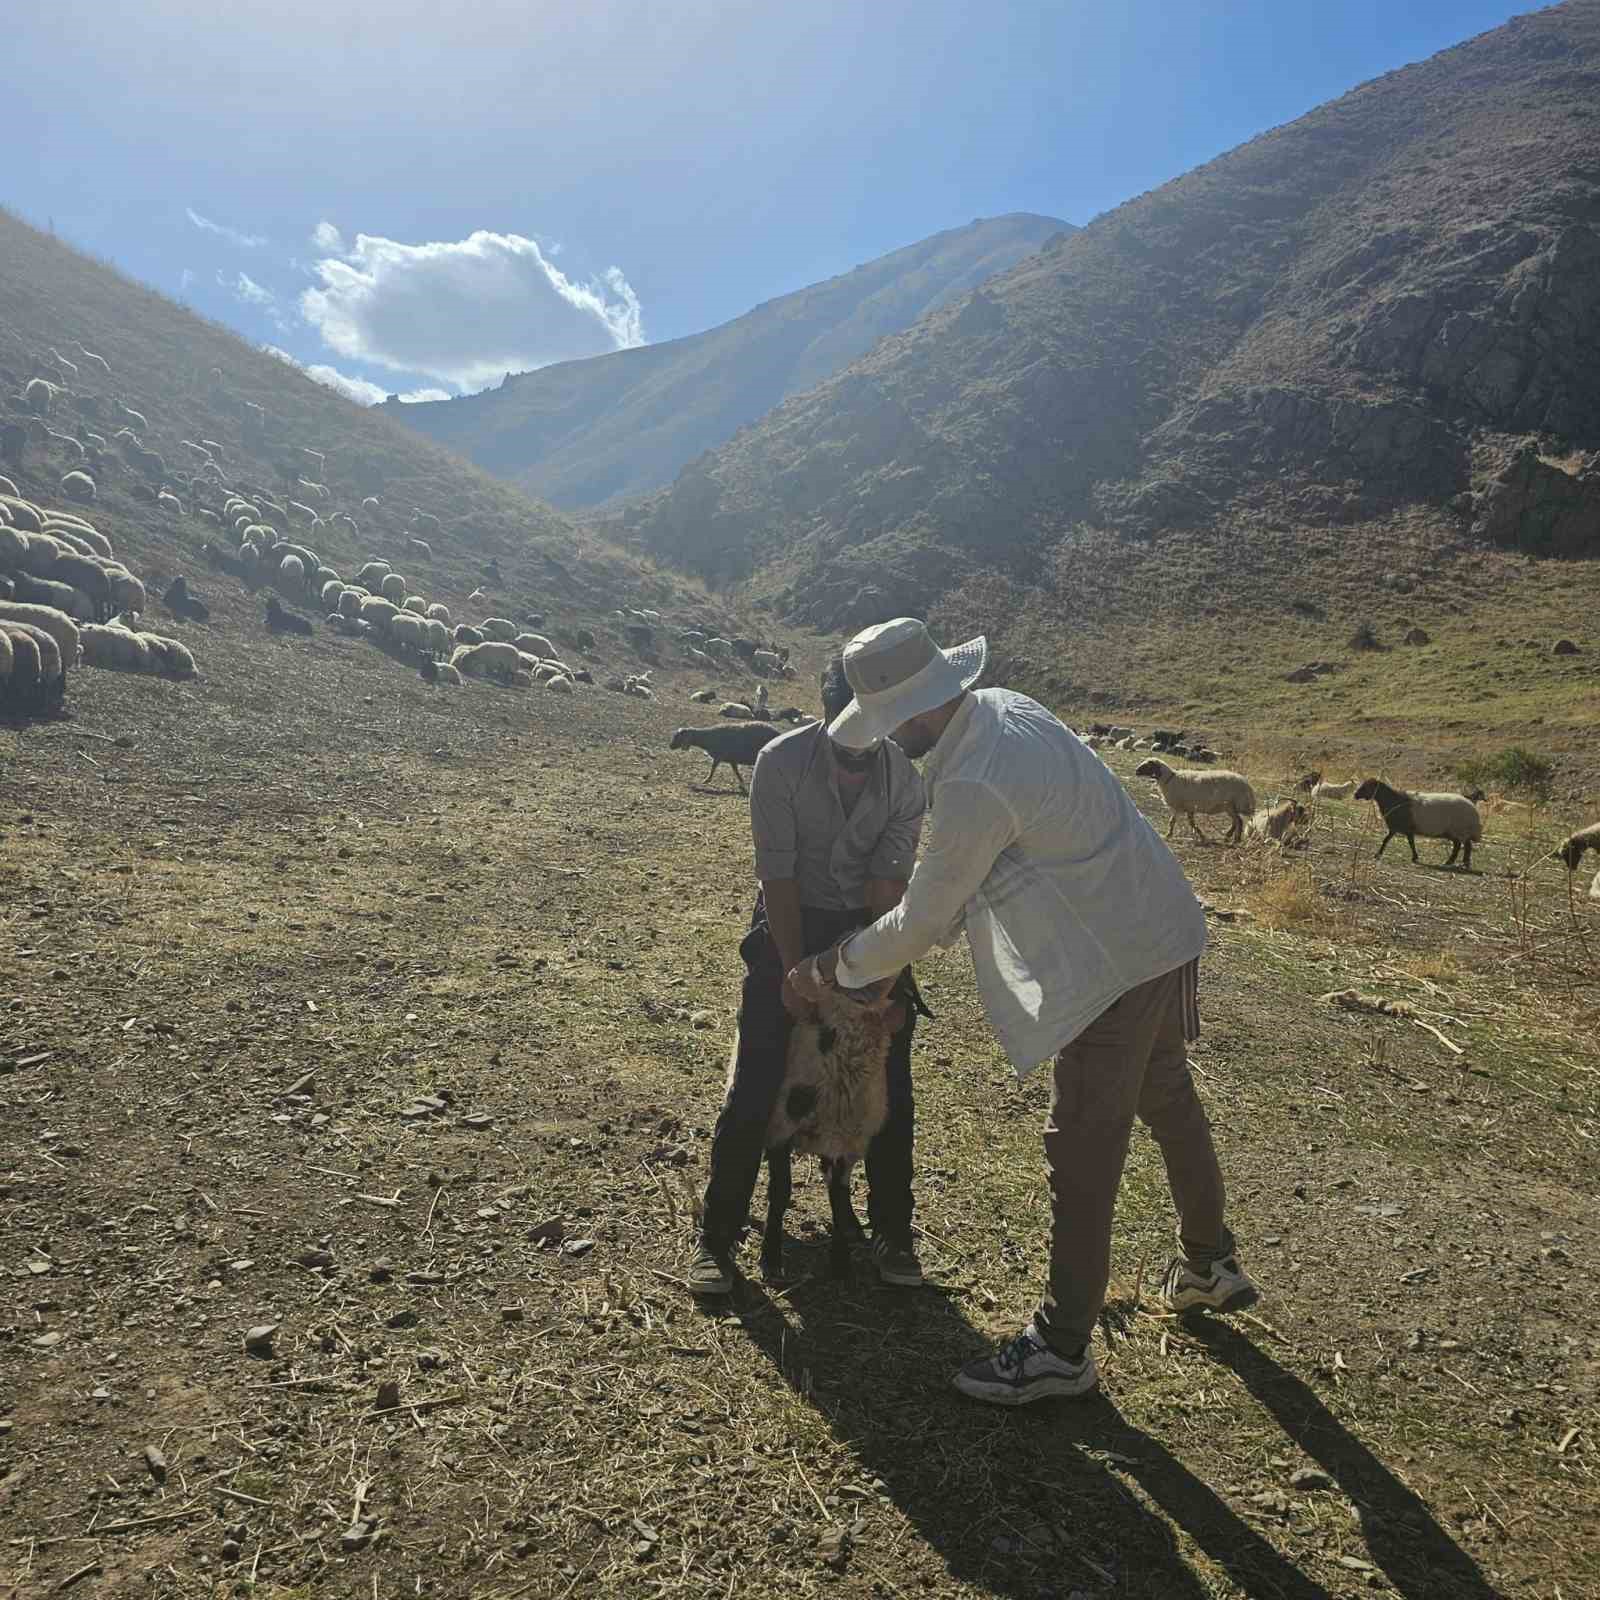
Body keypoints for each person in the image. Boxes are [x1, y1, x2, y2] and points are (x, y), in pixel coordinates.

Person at [789, 618, 1256, 1404]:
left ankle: (1062, 1346)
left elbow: (924, 919)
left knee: (1081, 1144)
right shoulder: (1007, 706)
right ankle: (1210, 1262)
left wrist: (833, 966)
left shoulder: (972, 779)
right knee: (1167, 1095)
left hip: (1115, 963)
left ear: (906, 714)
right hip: (1159, 923)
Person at [689, 655, 927, 1295]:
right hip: (790, 918)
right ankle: (719, 1236)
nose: (856, 756)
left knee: (886, 1078)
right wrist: (794, 974)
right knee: (759, 1074)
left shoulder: (904, 781)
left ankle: (892, 1232)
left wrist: (884, 982)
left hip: (864, 929)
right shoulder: (779, 763)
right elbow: (779, 876)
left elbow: (890, 890)